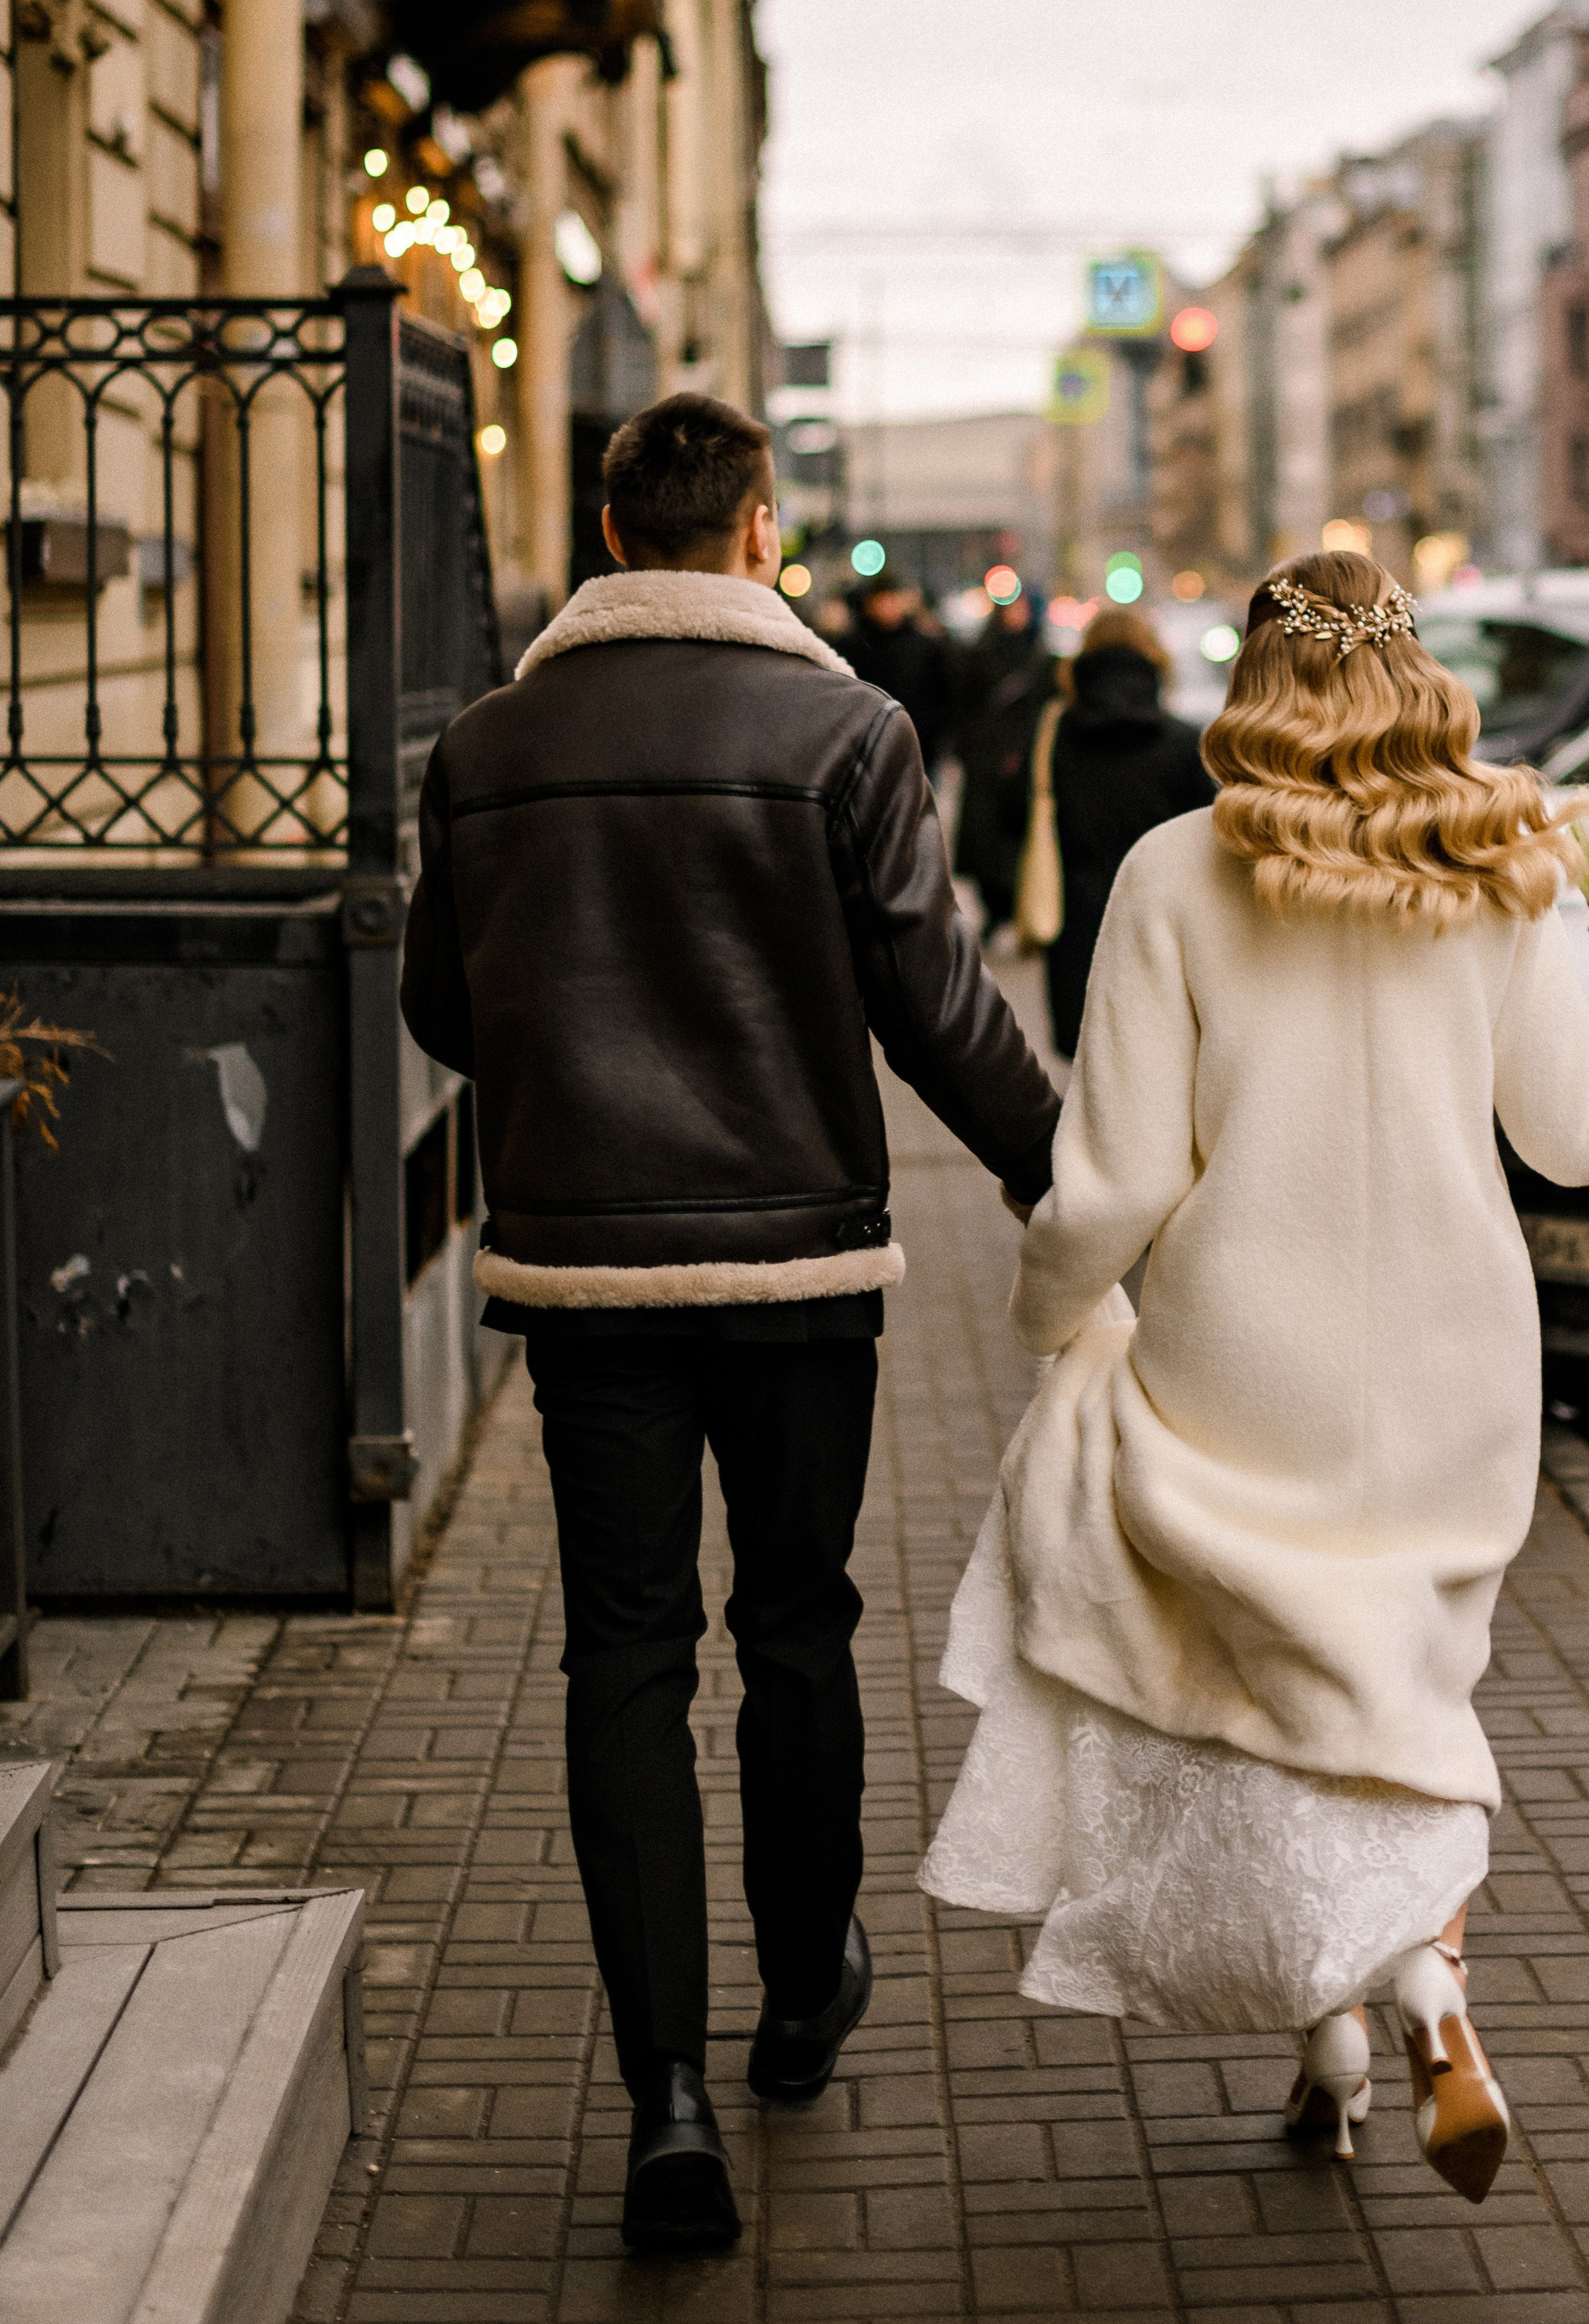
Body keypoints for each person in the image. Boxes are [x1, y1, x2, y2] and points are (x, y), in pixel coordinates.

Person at [921, 550, 1589, 2204]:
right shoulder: (1495, 863)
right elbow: (1575, 1132)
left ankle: (1368, 2013)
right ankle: (1382, 2012)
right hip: (1454, 1365)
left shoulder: (1171, 870)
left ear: (1251, 681)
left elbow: (1114, 1176)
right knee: (1398, 1694)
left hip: (1237, 1360)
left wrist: (1051, 1317)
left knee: (1282, 1697)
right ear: (1407, 667)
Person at [401, 393, 1058, 2258]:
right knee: (794, 1622)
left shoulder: (485, 745)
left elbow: (447, 1011)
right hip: (794, 1278)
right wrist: (1060, 1178)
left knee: (620, 1659)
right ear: (758, 531)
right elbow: (939, 1006)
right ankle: (798, 1995)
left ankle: (664, 2095)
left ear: (608, 531)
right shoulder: (845, 730)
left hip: (587, 1274)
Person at [1026, 607, 1214, 1055]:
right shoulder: (1183, 742)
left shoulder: (1055, 737)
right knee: (1163, 1056)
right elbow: (1209, 831)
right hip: (1165, 920)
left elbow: (1016, 813)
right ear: (1155, 660)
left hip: (1079, 920)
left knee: (1092, 1065)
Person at [953, 588, 1054, 933]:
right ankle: (994, 909)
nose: (1017, 615)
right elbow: (964, 706)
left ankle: (1014, 908)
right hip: (986, 759)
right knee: (985, 841)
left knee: (1020, 838)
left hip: (1027, 759)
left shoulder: (1042, 658)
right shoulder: (979, 655)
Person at [842, 570, 952, 768]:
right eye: (881, 601)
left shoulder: (925, 646)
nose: (887, 607)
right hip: (870, 751)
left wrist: (934, 737)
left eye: (892, 599)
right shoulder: (854, 647)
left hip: (919, 750)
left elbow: (942, 695)